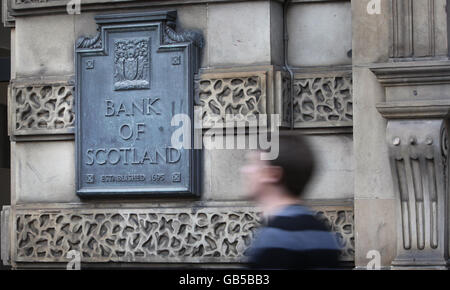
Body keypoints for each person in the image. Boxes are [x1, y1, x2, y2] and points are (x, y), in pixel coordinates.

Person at [241, 133, 341, 270]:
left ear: (273, 175)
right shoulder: (322, 230)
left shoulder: (277, 235)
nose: (245, 170)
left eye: (253, 163)